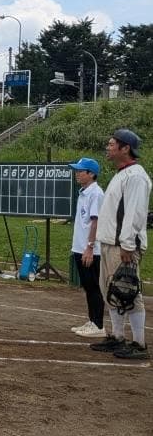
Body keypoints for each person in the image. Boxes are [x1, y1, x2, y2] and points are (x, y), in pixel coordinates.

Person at [92, 129, 150, 360]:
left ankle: (139, 343)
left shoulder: (135, 176)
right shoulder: (121, 174)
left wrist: (127, 245)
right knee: (112, 291)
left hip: (122, 246)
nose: (108, 147)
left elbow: (134, 214)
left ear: (125, 148)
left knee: (127, 291)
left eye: (112, 144)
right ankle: (117, 336)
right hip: (109, 243)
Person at [68, 157, 106, 340]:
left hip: (90, 250)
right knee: (88, 286)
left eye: (80, 171)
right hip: (80, 247)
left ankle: (98, 324)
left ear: (91, 174)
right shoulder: (84, 192)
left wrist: (90, 247)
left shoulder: (96, 194)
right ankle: (92, 320)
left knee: (93, 287)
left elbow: (95, 222)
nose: (77, 173)